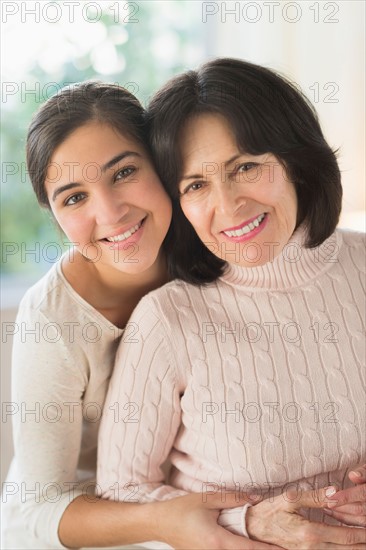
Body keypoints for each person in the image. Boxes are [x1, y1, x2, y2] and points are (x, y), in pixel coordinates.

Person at [97, 59, 366, 549]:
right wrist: (246, 521)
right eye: (196, 185)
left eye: (245, 167)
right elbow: (120, 492)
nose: (229, 205)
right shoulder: (168, 318)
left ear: (296, 163)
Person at [2, 81, 272, 550]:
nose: (111, 213)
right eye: (74, 198)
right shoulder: (54, 322)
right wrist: (162, 522)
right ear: (56, 218)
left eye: (123, 172)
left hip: (201, 508)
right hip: (101, 532)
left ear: (162, 166)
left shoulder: (215, 241)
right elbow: (30, 513)